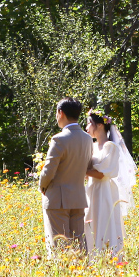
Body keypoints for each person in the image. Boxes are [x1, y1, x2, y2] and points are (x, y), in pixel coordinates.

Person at [38, 98, 92, 255]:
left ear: (61, 113)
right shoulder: (88, 139)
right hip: (78, 198)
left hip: (57, 199)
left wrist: (43, 186)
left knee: (59, 246)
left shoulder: (59, 139)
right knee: (78, 244)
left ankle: (63, 276)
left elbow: (49, 170)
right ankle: (82, 275)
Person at [83, 111, 136, 256]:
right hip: (92, 189)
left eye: (89, 123)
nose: (86, 127)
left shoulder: (110, 147)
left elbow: (102, 174)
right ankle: (93, 256)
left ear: (99, 125)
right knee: (89, 222)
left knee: (104, 221)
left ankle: (109, 256)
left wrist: (80, 170)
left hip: (104, 191)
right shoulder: (92, 146)